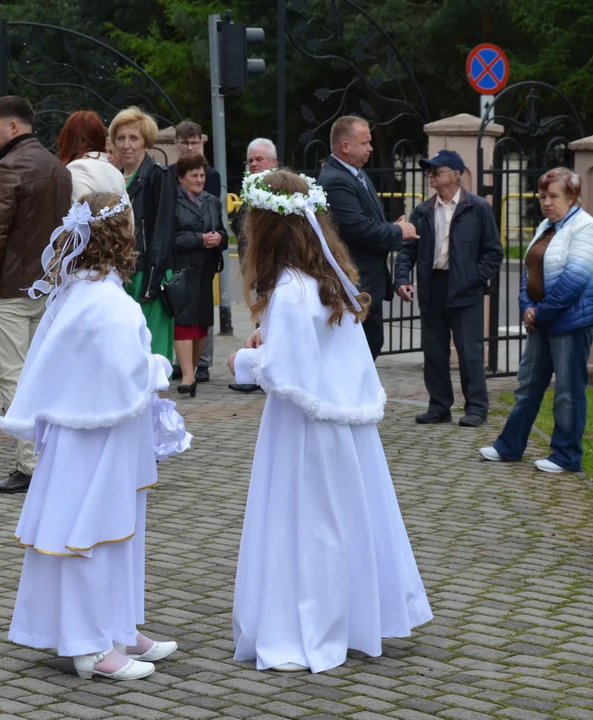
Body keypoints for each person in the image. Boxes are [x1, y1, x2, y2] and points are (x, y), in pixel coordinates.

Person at [228, 169, 432, 673]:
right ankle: (352, 613)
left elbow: (285, 374)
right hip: (337, 425)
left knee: (309, 525)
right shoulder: (325, 280)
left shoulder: (292, 290)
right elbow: (314, 352)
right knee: (342, 521)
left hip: (304, 431)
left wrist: (245, 360)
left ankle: (311, 624)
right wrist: (269, 343)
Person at [0, 191, 190, 680]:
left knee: (115, 533)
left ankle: (117, 627)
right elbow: (124, 375)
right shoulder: (104, 301)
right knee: (91, 533)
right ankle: (89, 645)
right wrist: (158, 367)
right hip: (94, 441)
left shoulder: (86, 289)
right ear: (121, 236)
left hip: (95, 436)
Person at [0, 96, 73, 495]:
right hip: (45, 286)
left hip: (6, 291)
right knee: (42, 374)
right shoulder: (57, 169)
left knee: (14, 378)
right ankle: (53, 456)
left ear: (13, 127)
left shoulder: (7, 168)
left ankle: (32, 464)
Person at [479, 167, 593, 473]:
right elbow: (530, 270)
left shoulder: (585, 227)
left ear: (572, 197)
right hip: (542, 319)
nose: (546, 202)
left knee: (567, 389)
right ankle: (509, 447)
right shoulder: (547, 226)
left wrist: (541, 310)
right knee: (527, 385)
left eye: (553, 196)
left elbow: (575, 279)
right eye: (542, 196)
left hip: (572, 321)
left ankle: (566, 456)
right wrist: (526, 304)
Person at [394, 150, 503, 427]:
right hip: (433, 287)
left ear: (456, 175)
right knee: (433, 351)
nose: (431, 175)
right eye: (429, 170)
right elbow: (407, 250)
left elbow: (493, 253)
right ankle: (439, 407)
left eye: (437, 170)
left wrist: (474, 278)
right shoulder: (423, 211)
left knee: (469, 351)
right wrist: (402, 279)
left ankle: (476, 408)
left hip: (466, 290)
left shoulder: (478, 208)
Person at [318, 116, 419, 360]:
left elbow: (364, 220)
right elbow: (355, 227)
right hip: (355, 284)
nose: (371, 148)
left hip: (367, 283)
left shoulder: (355, 174)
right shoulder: (336, 180)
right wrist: (398, 232)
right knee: (359, 352)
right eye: (365, 143)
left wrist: (388, 227)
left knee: (370, 345)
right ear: (345, 146)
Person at [110, 106, 177, 360]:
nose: (126, 145)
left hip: (150, 272)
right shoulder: (115, 178)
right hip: (123, 272)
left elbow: (163, 231)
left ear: (146, 142)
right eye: (120, 138)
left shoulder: (158, 176)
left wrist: (151, 282)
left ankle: (155, 400)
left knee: (153, 353)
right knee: (127, 350)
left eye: (133, 138)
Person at [171, 154, 224, 398]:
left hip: (206, 269)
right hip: (182, 269)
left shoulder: (213, 201)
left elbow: (221, 230)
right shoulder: (172, 201)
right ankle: (188, 375)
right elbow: (171, 238)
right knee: (183, 322)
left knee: (202, 322)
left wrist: (220, 239)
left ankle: (190, 371)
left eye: (202, 175)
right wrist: (199, 239)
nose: (200, 179)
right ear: (181, 178)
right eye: (194, 175)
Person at [229, 138, 279, 395]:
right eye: (250, 160)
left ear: (274, 162)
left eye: (259, 159)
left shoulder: (280, 193)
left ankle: (265, 374)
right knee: (259, 321)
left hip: (274, 270)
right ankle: (257, 372)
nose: (254, 164)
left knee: (271, 321)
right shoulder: (250, 191)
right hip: (255, 273)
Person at [58, 110, 124, 201]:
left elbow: (79, 212)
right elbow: (129, 214)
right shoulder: (116, 173)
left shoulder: (75, 170)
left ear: (68, 140)